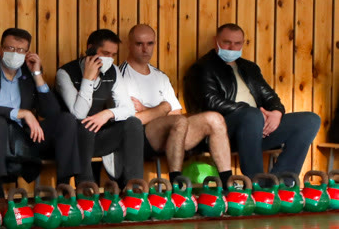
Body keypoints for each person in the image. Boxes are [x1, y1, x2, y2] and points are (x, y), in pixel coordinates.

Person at [184, 23, 323, 177]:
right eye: (227, 42)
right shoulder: (202, 68)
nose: (232, 47)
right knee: (252, 115)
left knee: (310, 120)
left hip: (257, 127)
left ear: (243, 44)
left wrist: (276, 113)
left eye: (237, 43)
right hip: (224, 132)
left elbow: (270, 96)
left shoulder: (249, 68)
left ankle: (282, 181)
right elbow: (210, 103)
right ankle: (257, 182)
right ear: (215, 41)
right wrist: (253, 113)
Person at [0, 28, 81, 188]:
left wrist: (37, 74)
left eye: (20, 50)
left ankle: (63, 188)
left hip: (23, 137)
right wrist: (21, 113)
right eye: (10, 48)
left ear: (27, 53)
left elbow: (51, 112)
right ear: (0, 49)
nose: (15, 53)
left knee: (66, 120)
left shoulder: (27, 72)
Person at [121, 24, 230, 176]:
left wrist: (148, 109)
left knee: (215, 118)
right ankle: (177, 183)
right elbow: (132, 120)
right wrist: (164, 108)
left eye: (150, 43)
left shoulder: (160, 76)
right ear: (129, 44)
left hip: (174, 134)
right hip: (142, 138)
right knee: (178, 121)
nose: (145, 49)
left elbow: (176, 112)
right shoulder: (121, 77)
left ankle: (228, 183)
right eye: (139, 44)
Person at [54, 28, 146, 186]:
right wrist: (88, 79)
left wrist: (107, 113)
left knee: (133, 123)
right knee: (86, 125)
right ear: (90, 49)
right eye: (105, 53)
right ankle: (86, 189)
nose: (109, 59)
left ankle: (134, 187)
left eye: (113, 55)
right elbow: (78, 114)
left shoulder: (113, 71)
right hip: (74, 141)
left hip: (100, 137)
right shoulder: (65, 73)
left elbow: (128, 109)